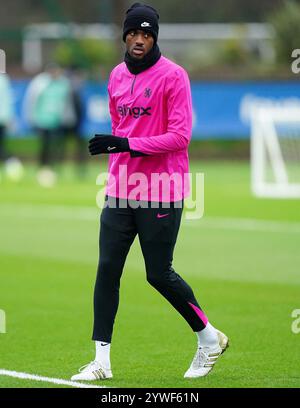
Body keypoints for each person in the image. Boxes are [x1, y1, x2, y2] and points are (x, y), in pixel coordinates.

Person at [71, 2, 229, 381]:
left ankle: (209, 338)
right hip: (120, 188)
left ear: (154, 37)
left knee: (158, 274)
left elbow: (180, 136)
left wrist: (125, 143)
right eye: (133, 33)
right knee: (107, 269)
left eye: (146, 34)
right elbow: (118, 124)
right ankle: (101, 363)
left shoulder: (174, 76)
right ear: (124, 36)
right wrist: (116, 149)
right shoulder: (115, 76)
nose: (139, 40)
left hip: (161, 188)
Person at [23, 63, 75, 187]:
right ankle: (42, 169)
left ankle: (53, 169)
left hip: (58, 121)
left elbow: (67, 103)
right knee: (44, 147)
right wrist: (31, 118)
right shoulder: (40, 83)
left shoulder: (64, 84)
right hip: (42, 120)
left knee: (57, 147)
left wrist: (68, 119)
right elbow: (31, 101)